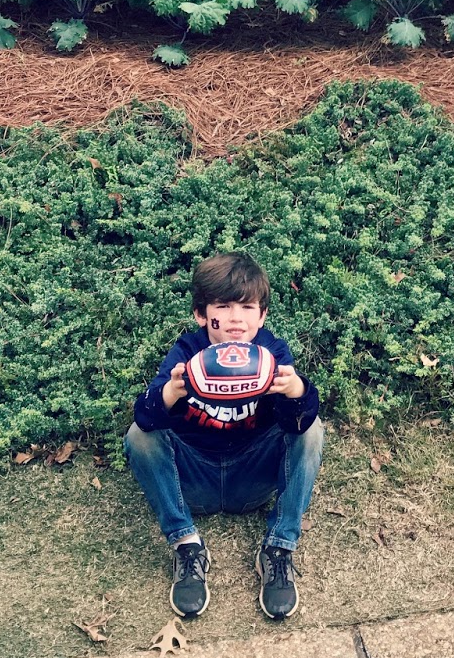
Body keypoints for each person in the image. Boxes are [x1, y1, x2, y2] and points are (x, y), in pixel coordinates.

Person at [126, 251, 322, 621]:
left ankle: (279, 549)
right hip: (194, 480)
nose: (235, 318)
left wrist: (296, 391)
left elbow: (298, 425)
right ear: (201, 314)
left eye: (247, 307)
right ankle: (186, 545)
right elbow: (145, 417)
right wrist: (171, 392)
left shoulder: (271, 352)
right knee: (139, 436)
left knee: (312, 430)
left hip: (252, 476)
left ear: (262, 316)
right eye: (223, 306)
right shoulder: (187, 353)